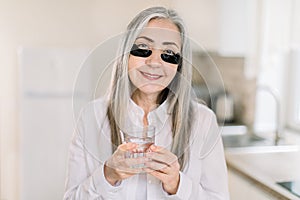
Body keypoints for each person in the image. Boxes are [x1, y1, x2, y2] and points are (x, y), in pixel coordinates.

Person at [63, 6, 229, 200]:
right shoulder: (92, 116)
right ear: (126, 55)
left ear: (179, 65)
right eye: (143, 49)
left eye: (168, 53)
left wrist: (177, 184)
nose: (155, 62)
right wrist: (108, 174)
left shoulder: (203, 121)